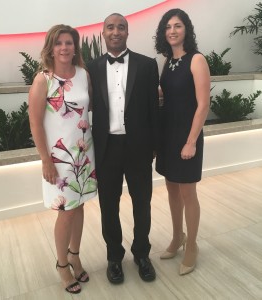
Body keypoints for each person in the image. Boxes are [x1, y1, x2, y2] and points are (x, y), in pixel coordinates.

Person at [87, 13, 159, 284]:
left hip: (139, 146)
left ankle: (142, 253)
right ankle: (114, 257)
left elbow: (154, 108)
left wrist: (155, 146)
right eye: (110, 27)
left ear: (127, 32)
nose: (115, 32)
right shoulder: (91, 68)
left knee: (142, 203)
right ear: (103, 33)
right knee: (108, 206)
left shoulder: (148, 65)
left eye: (121, 27)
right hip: (106, 148)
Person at [29, 24, 97, 294]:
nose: (64, 48)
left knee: (79, 207)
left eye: (69, 43)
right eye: (59, 43)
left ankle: (75, 255)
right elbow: (35, 124)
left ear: (74, 47)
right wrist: (45, 160)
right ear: (51, 47)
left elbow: (89, 110)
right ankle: (61, 265)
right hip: (58, 159)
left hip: (83, 152)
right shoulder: (42, 80)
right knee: (65, 212)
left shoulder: (83, 74)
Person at [154, 9, 210, 275]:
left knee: (188, 193)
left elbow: (203, 105)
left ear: (186, 29)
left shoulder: (196, 60)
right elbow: (170, 94)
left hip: (187, 135)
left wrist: (191, 142)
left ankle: (192, 246)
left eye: (177, 25)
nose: (172, 30)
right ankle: (178, 237)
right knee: (172, 189)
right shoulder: (169, 61)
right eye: (168, 27)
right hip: (168, 134)